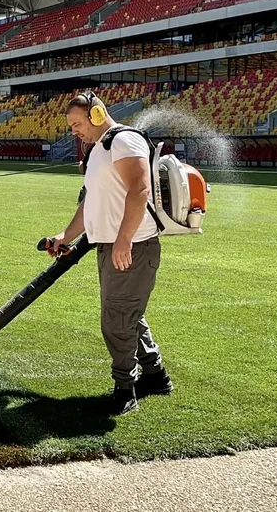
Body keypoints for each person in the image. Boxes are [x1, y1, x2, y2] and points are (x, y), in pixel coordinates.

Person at [49, 91, 171, 415]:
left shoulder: (123, 141)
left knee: (116, 322)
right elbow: (90, 202)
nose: (73, 130)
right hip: (112, 246)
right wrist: (65, 235)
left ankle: (125, 390)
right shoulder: (98, 150)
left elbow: (140, 188)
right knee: (128, 314)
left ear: (97, 114)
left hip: (133, 246)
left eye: (77, 123)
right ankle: (156, 375)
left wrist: (123, 239)